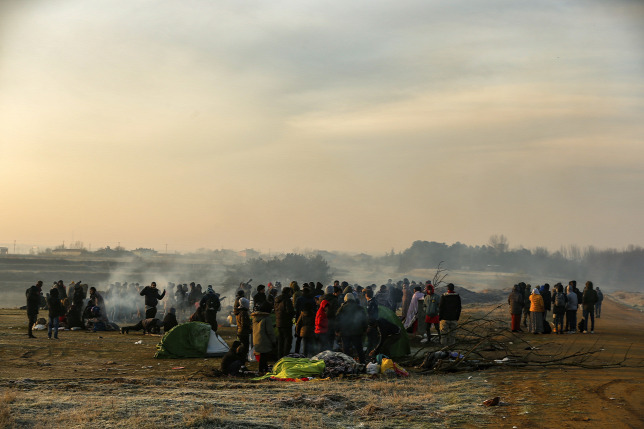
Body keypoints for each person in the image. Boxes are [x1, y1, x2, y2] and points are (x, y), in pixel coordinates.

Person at [335, 294, 367, 364]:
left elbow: (337, 320)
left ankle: (347, 365)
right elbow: (364, 319)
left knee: (346, 350)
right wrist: (365, 329)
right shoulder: (359, 308)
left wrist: (337, 330)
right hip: (357, 332)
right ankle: (362, 364)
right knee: (359, 350)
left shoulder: (342, 308)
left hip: (345, 333)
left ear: (345, 300)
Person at [252, 301, 276, 374]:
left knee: (262, 355)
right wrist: (273, 341)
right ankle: (261, 370)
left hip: (256, 339)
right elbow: (270, 331)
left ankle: (264, 368)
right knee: (264, 356)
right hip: (264, 339)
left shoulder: (255, 317)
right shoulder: (266, 318)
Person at [274, 288, 295, 359]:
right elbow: (289, 311)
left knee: (280, 340)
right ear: (288, 292)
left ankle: (279, 356)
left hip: (278, 322)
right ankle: (286, 356)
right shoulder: (287, 300)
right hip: (286, 322)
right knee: (288, 339)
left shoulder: (277, 300)